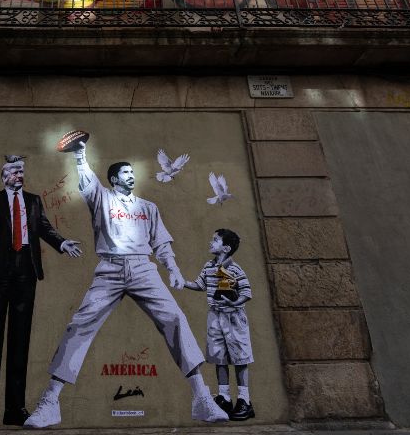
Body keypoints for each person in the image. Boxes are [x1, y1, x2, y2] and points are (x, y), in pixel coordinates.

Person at [24, 140, 228, 427]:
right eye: (125, 172)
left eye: (133, 172)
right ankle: (50, 402)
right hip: (110, 268)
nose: (131, 175)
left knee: (175, 319)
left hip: (144, 268)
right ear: (113, 179)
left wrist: (173, 269)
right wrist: (80, 155)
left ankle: (202, 399)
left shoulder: (148, 207)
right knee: (79, 325)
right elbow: (87, 180)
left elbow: (162, 243)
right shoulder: (101, 199)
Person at [0, 155, 82, 430]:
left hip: (26, 272)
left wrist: (62, 244)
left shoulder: (34, 201)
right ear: (4, 175)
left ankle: (15, 409)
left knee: (19, 342)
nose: (19, 174)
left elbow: (44, 229)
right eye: (14, 170)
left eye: (21, 170)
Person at [184, 228, 255, 421]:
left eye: (215, 240)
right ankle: (224, 396)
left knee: (240, 358)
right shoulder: (208, 266)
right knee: (219, 357)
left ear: (226, 247)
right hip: (214, 317)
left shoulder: (235, 269)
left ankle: (244, 400)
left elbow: (247, 292)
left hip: (233, 317)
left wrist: (235, 302)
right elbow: (200, 285)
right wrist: (182, 282)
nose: (210, 242)